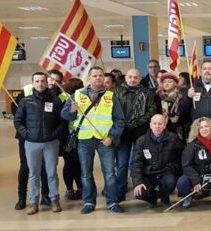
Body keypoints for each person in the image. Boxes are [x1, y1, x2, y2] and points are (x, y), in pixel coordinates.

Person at [61, 67, 127, 214]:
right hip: (84, 140)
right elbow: (65, 115)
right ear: (89, 78)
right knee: (86, 173)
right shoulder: (76, 95)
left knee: (109, 172)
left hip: (105, 140)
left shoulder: (110, 96)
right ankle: (89, 202)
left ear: (104, 78)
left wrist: (112, 137)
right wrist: (71, 109)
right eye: (95, 75)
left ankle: (112, 202)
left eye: (100, 75)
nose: (98, 78)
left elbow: (120, 120)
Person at [15, 72, 67, 214]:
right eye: (37, 81)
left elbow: (63, 121)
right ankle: (33, 202)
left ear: (46, 82)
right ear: (33, 83)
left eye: (42, 81)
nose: (40, 84)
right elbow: (18, 121)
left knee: (51, 173)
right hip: (32, 143)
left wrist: (55, 134)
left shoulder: (55, 100)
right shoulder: (26, 101)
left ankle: (54, 200)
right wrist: (26, 134)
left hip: (51, 143)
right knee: (34, 173)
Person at [113, 68, 158, 203]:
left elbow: (152, 110)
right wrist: (123, 124)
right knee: (121, 164)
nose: (132, 80)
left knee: (141, 162)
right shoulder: (117, 92)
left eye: (135, 78)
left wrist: (137, 123)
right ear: (126, 77)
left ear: (140, 79)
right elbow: (113, 111)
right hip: (122, 133)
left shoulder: (147, 93)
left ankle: (143, 189)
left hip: (141, 132)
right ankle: (120, 192)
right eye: (130, 77)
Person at [131, 114, 183, 208]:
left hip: (166, 171)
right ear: (150, 125)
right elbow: (136, 163)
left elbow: (180, 157)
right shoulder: (141, 141)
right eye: (154, 123)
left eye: (160, 124)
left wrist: (175, 169)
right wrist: (137, 182)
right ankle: (153, 198)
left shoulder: (173, 138)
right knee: (139, 193)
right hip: (149, 173)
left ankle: (165, 197)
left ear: (164, 125)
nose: (157, 126)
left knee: (170, 182)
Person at [180, 61, 211, 126]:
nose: (207, 71)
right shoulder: (191, 87)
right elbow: (182, 109)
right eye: (204, 69)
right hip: (198, 128)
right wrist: (188, 97)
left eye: (210, 69)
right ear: (200, 72)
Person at [61, 78, 84, 201]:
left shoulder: (62, 98)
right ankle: (75, 189)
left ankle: (75, 188)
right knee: (74, 164)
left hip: (73, 137)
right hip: (70, 137)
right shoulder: (66, 99)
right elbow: (63, 117)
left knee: (72, 164)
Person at [158, 73, 187, 142]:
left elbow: (184, 113)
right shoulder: (158, 97)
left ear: (175, 84)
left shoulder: (181, 96)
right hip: (162, 127)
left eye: (170, 81)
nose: (167, 84)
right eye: (165, 82)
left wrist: (177, 116)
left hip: (177, 128)